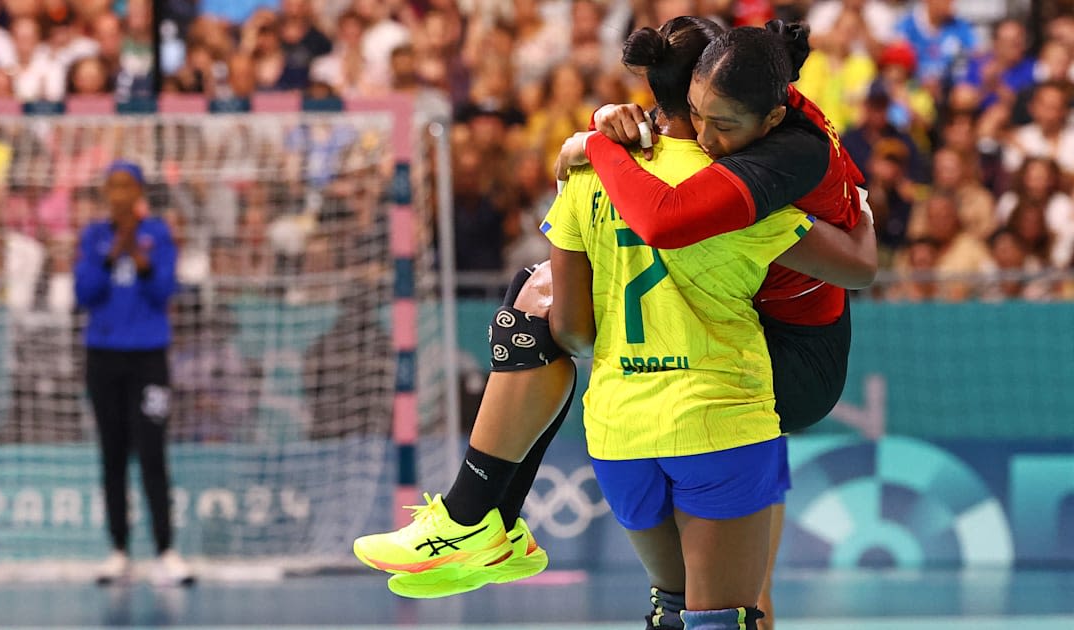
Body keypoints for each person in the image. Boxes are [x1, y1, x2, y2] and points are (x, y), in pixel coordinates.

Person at [353, 19, 876, 616]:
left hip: (787, 360)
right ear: (695, 84)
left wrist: (589, 147)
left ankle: (474, 514)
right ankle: (478, 519)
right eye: (699, 115)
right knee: (713, 602)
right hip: (717, 373)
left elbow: (667, 221)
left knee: (731, 599)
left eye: (722, 123)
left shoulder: (776, 160)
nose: (707, 134)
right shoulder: (733, 114)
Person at [541, 22, 821, 629]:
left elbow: (571, 330)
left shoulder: (591, 170)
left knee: (672, 609)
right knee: (723, 617)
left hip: (619, 428)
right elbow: (855, 269)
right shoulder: (741, 183)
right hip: (720, 418)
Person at [74, 161, 192, 586]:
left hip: (148, 357)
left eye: (127, 185)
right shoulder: (93, 236)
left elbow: (165, 291)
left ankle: (166, 551)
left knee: (153, 452)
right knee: (112, 454)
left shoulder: (158, 234)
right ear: (105, 191)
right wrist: (111, 255)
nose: (119, 193)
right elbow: (84, 293)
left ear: (139, 190)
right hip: (103, 355)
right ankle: (118, 551)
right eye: (112, 186)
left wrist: (139, 256)